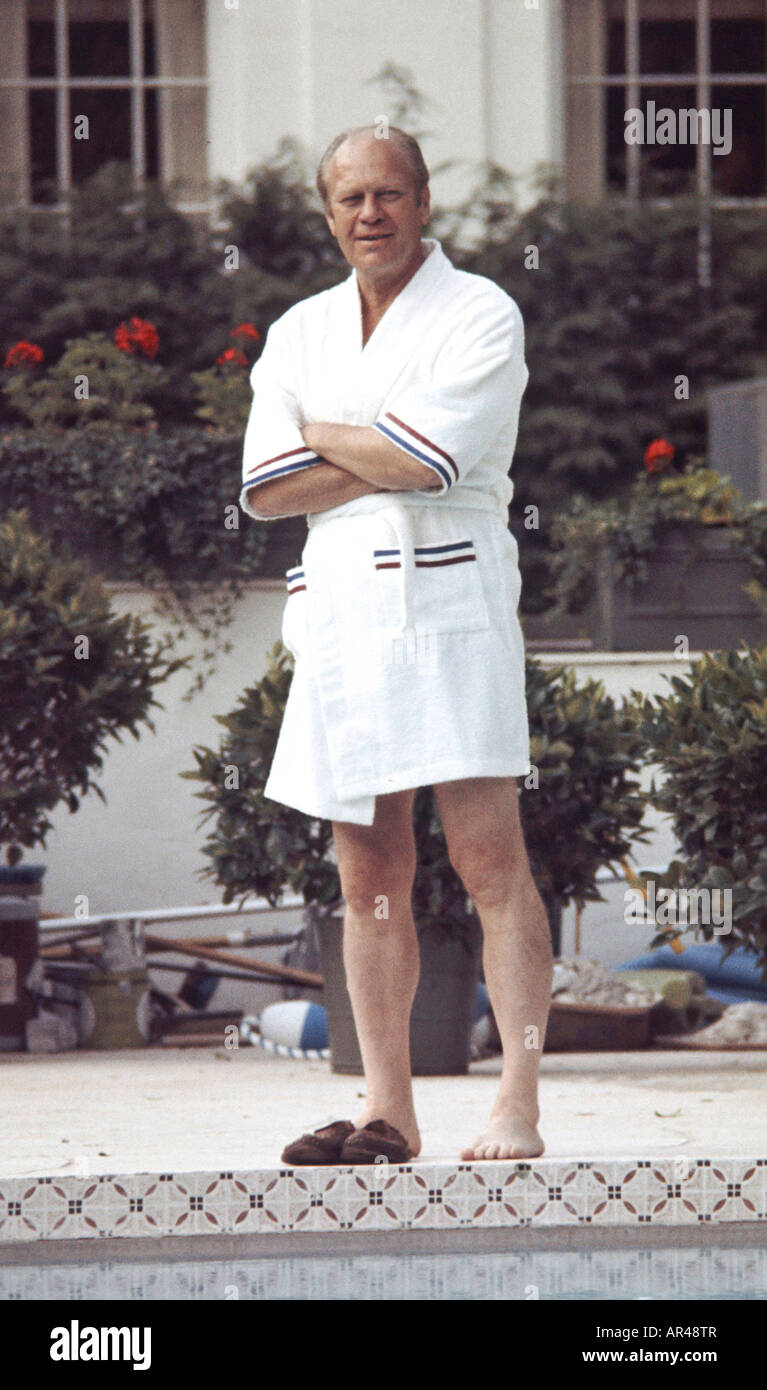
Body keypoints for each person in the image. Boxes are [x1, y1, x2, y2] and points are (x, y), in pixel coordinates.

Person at [239, 124, 553, 1163]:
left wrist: (324, 430)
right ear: (326, 215)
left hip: (450, 607)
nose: (367, 214)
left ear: (422, 202)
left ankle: (515, 1101)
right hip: (341, 618)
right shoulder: (297, 331)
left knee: (486, 858)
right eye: (347, 199)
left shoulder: (479, 313)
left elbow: (429, 463)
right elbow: (264, 488)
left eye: (387, 193)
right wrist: (380, 438)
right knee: (365, 866)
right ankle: (388, 1109)